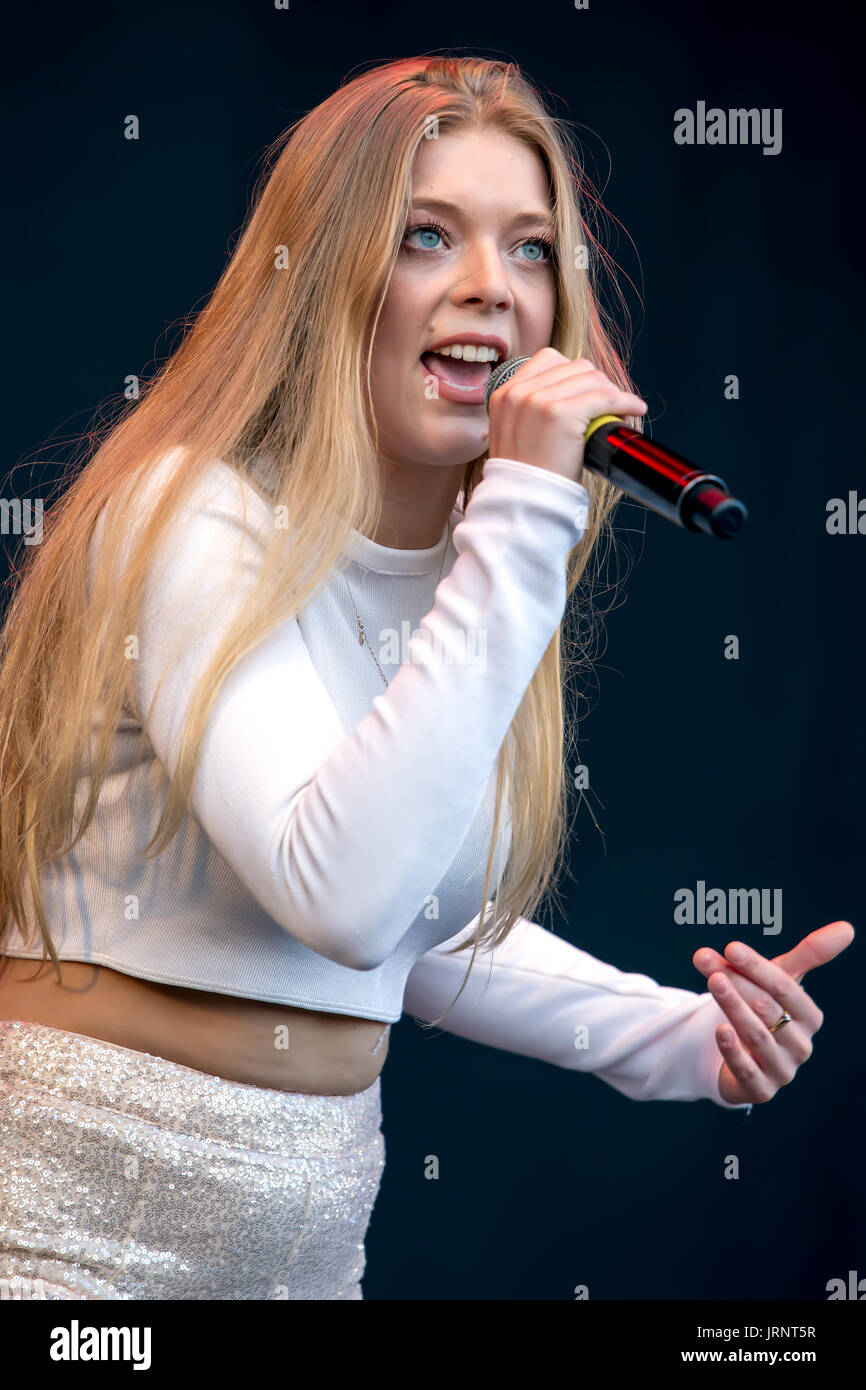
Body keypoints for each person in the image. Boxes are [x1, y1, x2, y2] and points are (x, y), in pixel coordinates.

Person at [0, 54, 852, 1301]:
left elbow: (409, 921)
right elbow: (339, 896)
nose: (487, 290)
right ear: (322, 277)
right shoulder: (190, 513)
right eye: (424, 236)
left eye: (527, 249)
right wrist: (518, 521)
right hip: (75, 1243)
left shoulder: (469, 566)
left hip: (307, 1248)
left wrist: (683, 1038)